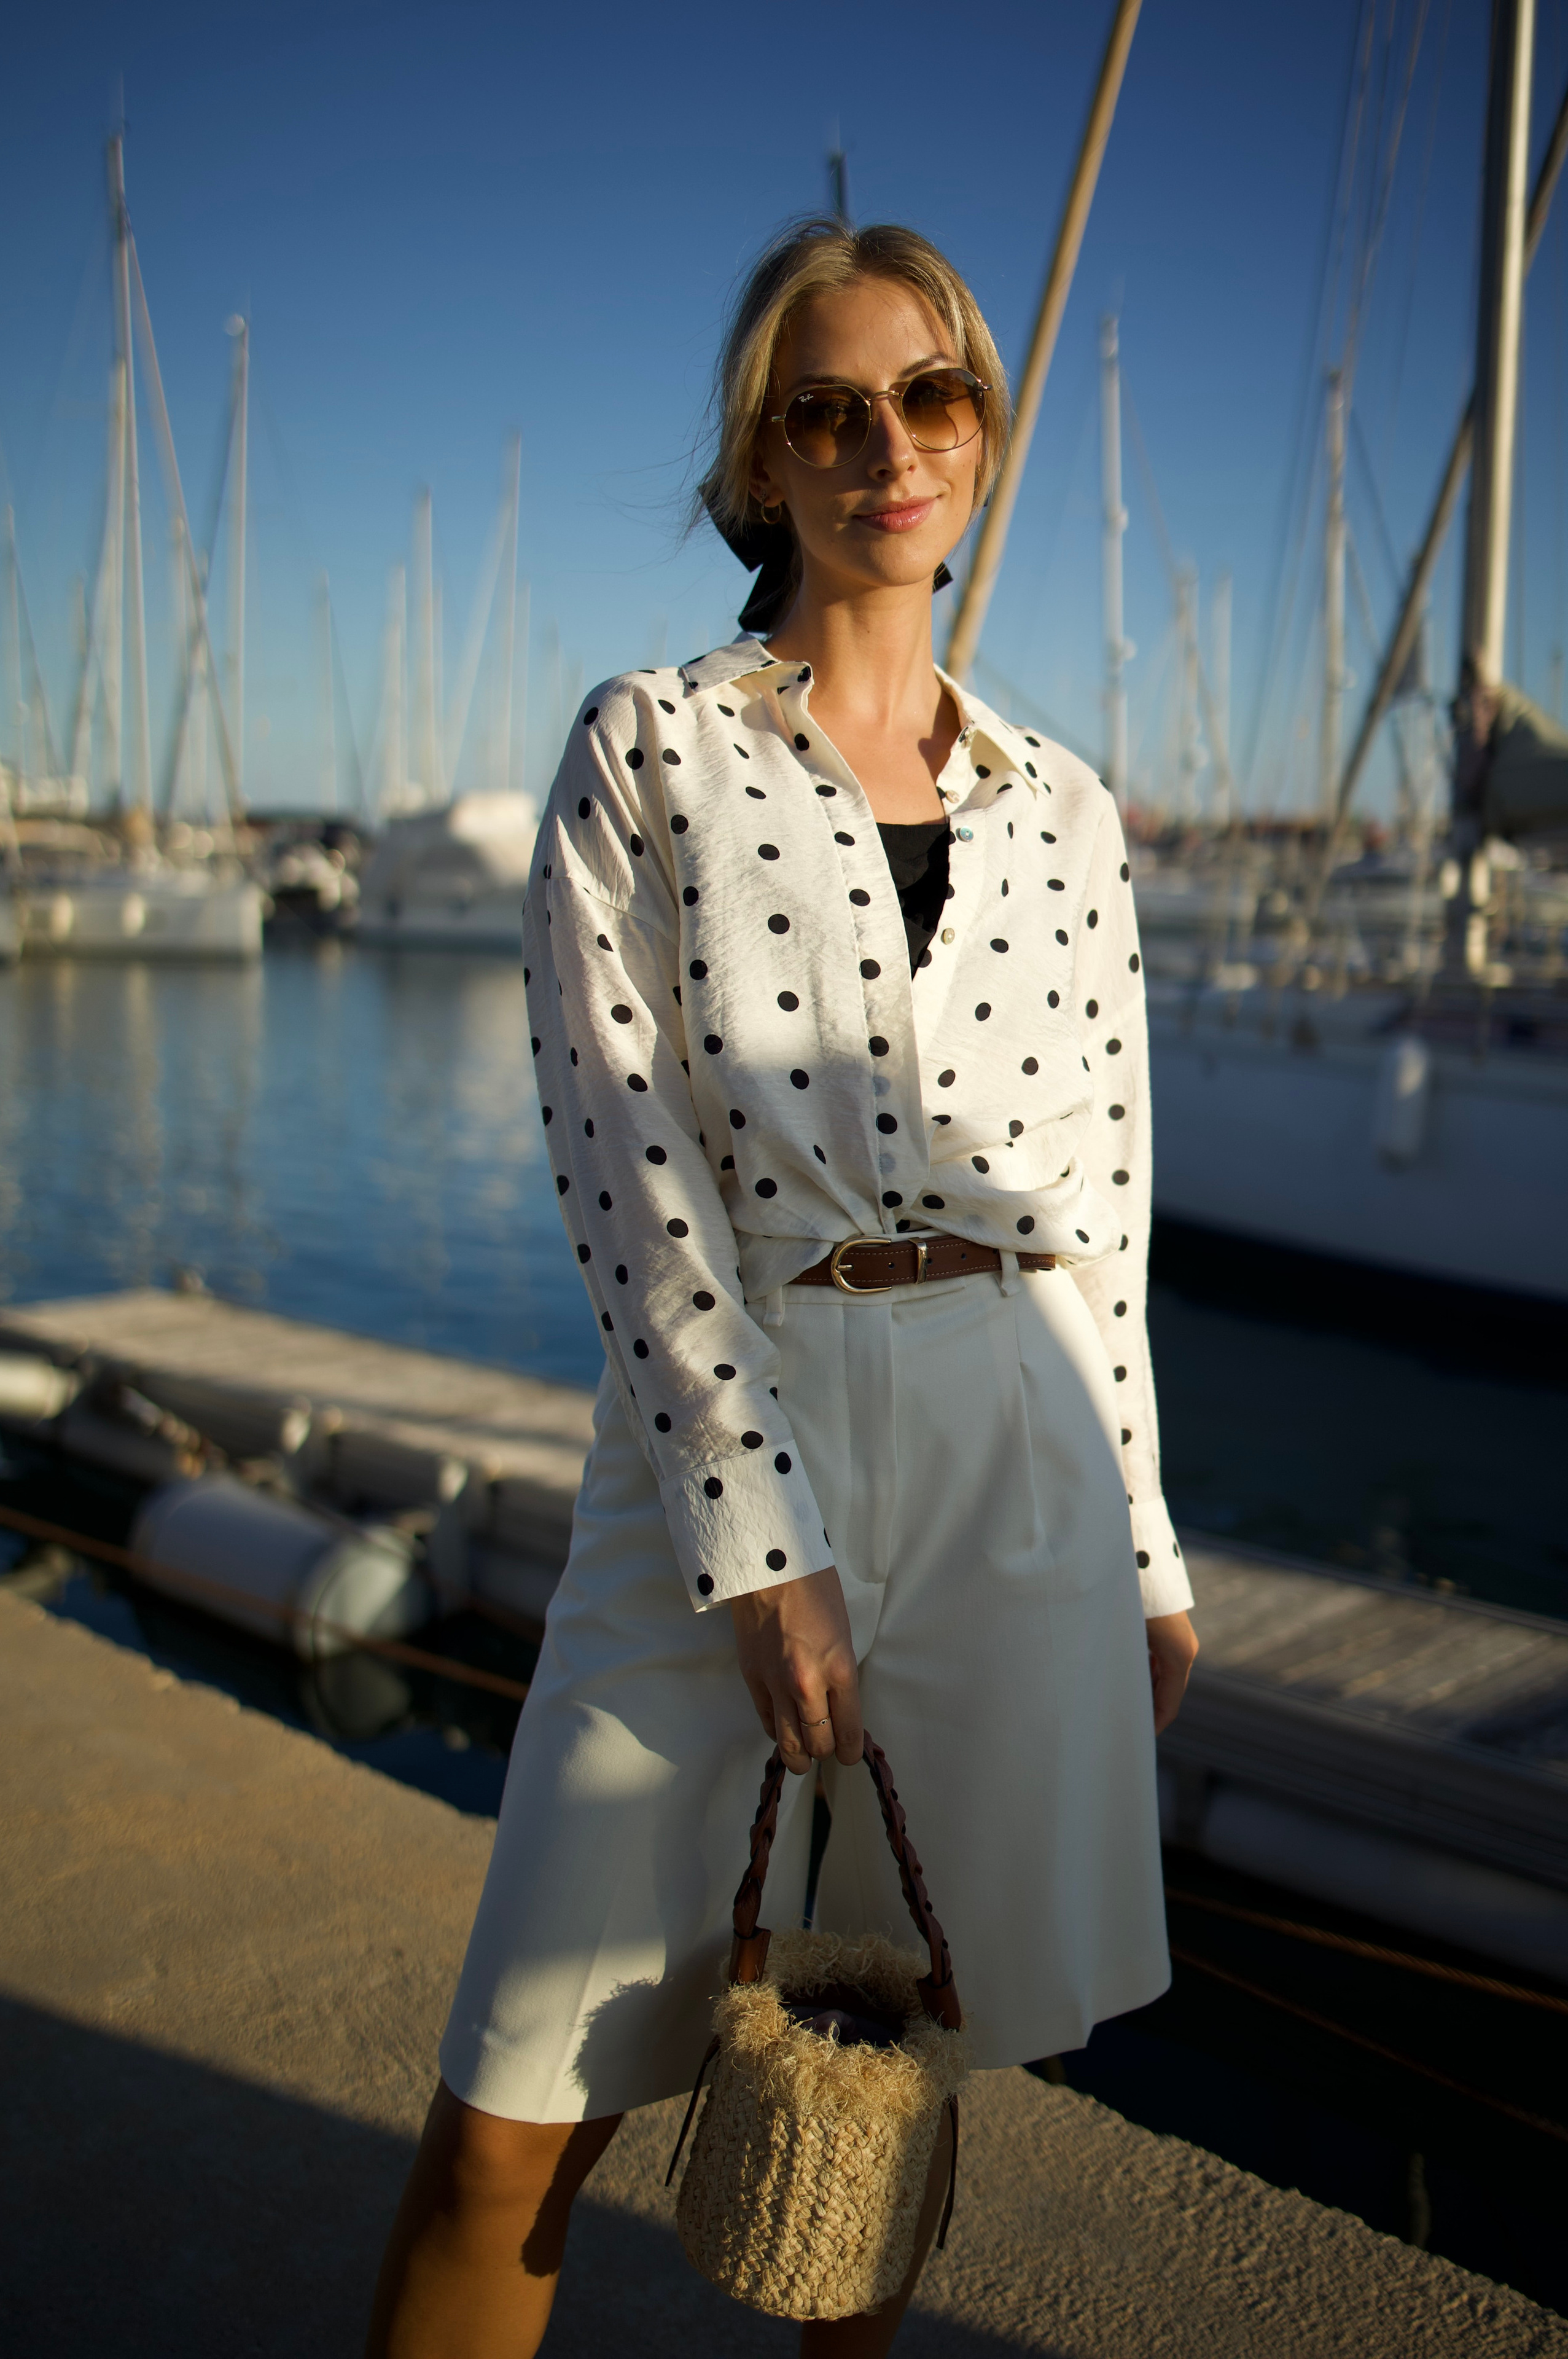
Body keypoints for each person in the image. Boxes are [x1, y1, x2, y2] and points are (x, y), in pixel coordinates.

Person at [365, 216, 1197, 2359]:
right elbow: (628, 1176)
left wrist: (1147, 1551)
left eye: (931, 397)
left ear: (981, 435)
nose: (885, 447)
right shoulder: (649, 749)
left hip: (1017, 1464)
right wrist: (759, 1549)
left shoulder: (1067, 813)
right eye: (826, 412)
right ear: (761, 464)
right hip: (731, 1450)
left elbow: (1102, 1209)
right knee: (508, 2123)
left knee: (881, 2099)